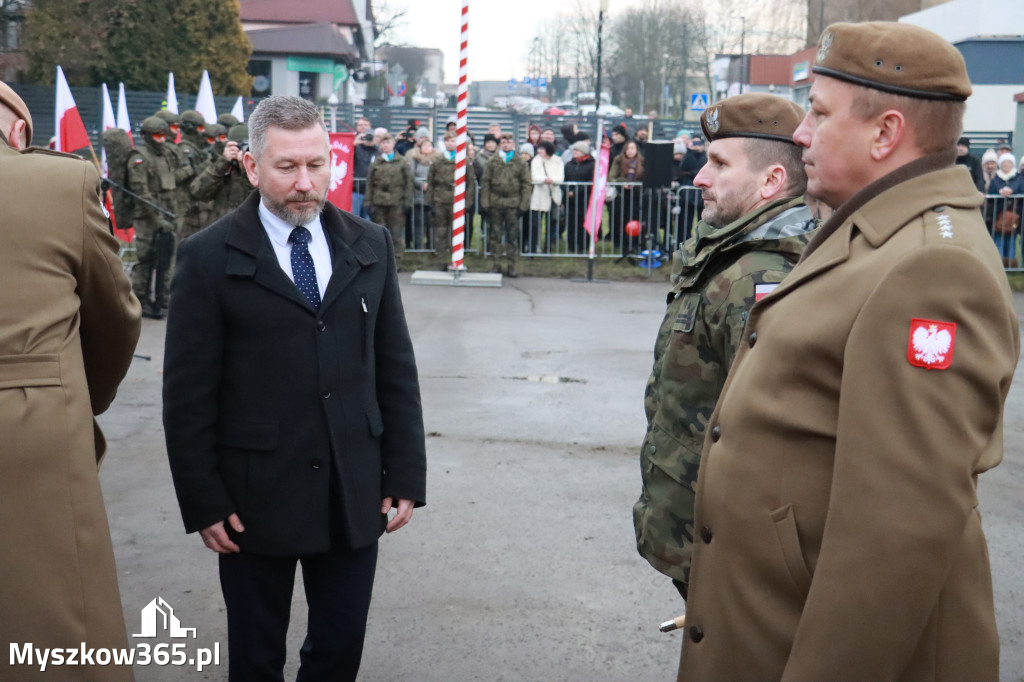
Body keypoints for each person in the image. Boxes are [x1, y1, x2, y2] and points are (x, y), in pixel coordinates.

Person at [677, 22, 1020, 680]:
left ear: (886, 134)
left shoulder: (932, 266)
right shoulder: (869, 231)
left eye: (820, 112)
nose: (801, 132)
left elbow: (894, 539)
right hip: (771, 625)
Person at [163, 96, 426, 682]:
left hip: (351, 488)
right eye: (287, 167)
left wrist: (405, 472)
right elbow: (187, 395)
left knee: (338, 649)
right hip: (254, 498)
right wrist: (203, 498)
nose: (305, 183)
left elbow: (394, 367)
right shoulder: (207, 259)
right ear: (253, 168)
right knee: (256, 657)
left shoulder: (370, 244)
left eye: (316, 164)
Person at [632, 93, 816, 602]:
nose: (699, 177)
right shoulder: (731, 254)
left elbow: (770, 440)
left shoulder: (764, 276)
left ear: (771, 181)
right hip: (699, 532)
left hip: (729, 547)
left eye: (717, 163)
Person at [0, 81, 141, 682]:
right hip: (30, 423)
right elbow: (117, 317)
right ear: (17, 130)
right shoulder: (60, 182)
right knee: (62, 629)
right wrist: (79, 398)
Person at [126, 116, 181, 319]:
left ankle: (162, 299)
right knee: (146, 258)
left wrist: (172, 215)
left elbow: (171, 187)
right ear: (148, 136)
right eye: (158, 136)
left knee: (165, 259)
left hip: (166, 214)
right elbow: (141, 193)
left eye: (164, 135)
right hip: (147, 216)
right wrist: (158, 218)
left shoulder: (165, 155)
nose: (162, 139)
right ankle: (140, 299)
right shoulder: (139, 158)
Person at [481, 132, 531, 276]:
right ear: (500, 144)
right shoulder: (493, 161)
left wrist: (523, 205)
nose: (506, 144)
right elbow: (486, 182)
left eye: (508, 142)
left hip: (513, 202)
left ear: (513, 144)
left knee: (513, 235)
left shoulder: (520, 162)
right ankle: (496, 264)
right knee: (495, 235)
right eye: (503, 142)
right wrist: (485, 202)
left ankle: (511, 265)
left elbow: (526, 184)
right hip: (495, 201)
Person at [427, 131, 476, 270]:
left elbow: (470, 183)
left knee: (457, 232)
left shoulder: (464, 160)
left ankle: (455, 260)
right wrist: (430, 200)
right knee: (441, 232)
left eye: (453, 141)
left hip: (457, 200)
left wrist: (468, 201)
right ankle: (441, 260)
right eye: (447, 141)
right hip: (440, 199)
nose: (450, 143)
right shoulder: (437, 160)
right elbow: (431, 181)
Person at [189, 122, 256, 225]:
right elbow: (197, 191)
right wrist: (223, 162)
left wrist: (246, 167)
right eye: (239, 146)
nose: (242, 150)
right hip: (221, 229)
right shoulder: (219, 165)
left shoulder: (262, 169)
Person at [365, 131, 413, 268]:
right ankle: (380, 263)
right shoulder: (377, 161)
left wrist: (407, 202)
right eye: (383, 143)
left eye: (388, 142)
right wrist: (368, 202)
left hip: (396, 202)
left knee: (396, 234)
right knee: (379, 234)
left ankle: (397, 261)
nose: (385, 145)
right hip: (379, 202)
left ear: (393, 144)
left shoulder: (402, 161)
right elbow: (370, 182)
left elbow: (409, 183)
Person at [608, 139, 644, 253]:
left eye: (632, 148)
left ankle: (635, 244)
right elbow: (611, 177)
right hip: (621, 196)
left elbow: (645, 178)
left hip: (637, 196)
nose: (630, 151)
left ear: (636, 150)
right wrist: (622, 183)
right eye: (628, 148)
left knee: (635, 220)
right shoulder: (618, 160)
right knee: (620, 220)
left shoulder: (642, 161)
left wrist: (635, 185)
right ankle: (620, 244)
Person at [529, 139, 564, 253]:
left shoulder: (558, 161)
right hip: (539, 196)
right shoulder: (536, 161)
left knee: (551, 224)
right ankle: (533, 248)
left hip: (553, 196)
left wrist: (552, 180)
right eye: (538, 149)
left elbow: (560, 178)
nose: (539, 151)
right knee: (535, 225)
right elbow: (534, 177)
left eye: (542, 149)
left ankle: (548, 248)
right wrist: (545, 179)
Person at [988, 151, 1023, 267]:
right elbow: (991, 193)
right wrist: (999, 192)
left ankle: (1011, 264)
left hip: (1014, 214)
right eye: (1004, 162)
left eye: (1009, 162)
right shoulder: (995, 179)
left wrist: (1012, 191)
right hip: (998, 215)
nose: (1006, 165)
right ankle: (1000, 265)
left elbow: (1021, 191)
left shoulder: (1019, 178)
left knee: (1011, 241)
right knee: (999, 240)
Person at [563, 139, 596, 253]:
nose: (575, 152)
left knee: (584, 223)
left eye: (577, 150)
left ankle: (583, 246)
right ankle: (571, 246)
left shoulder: (591, 165)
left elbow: (590, 182)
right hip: (570, 200)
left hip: (584, 200)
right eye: (574, 150)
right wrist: (567, 191)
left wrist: (576, 192)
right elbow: (565, 180)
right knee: (571, 224)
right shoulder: (568, 165)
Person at [407, 136, 439, 249]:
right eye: (424, 145)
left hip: (434, 196)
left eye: (429, 145)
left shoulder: (437, 160)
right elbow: (411, 175)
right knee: (419, 223)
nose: (427, 148)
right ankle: (418, 247)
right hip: (418, 196)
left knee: (433, 223)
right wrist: (421, 185)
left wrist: (432, 184)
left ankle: (432, 246)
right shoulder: (414, 159)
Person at [352, 131, 378, 221]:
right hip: (356, 190)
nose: (369, 139)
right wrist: (354, 144)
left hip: (371, 192)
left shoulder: (377, 151)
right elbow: (345, 156)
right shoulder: (357, 148)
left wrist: (375, 144)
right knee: (354, 219)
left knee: (368, 220)